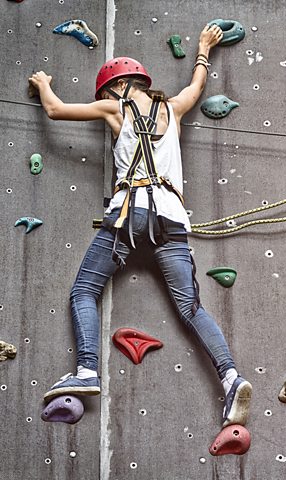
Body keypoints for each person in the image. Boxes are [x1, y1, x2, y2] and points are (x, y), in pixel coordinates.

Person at [28, 24, 252, 428]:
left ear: (116, 87)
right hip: (172, 218)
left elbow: (56, 110)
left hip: (130, 213)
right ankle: (231, 376)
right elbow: (196, 85)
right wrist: (203, 49)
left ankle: (87, 370)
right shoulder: (174, 108)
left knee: (84, 291)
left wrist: (44, 82)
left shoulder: (116, 108)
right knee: (190, 307)